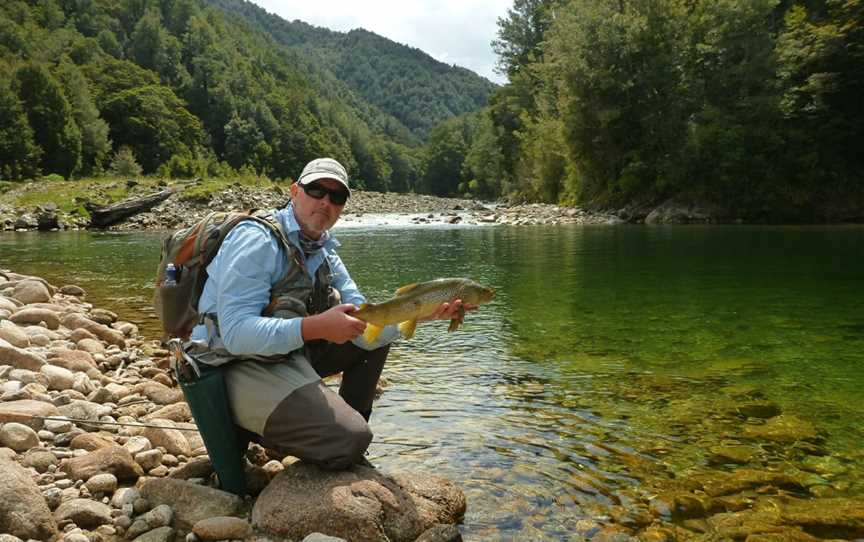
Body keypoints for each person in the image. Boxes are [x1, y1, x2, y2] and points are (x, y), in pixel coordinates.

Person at [187, 157, 468, 469]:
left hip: (282, 355)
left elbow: (367, 318)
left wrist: (422, 315)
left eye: (337, 197)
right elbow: (237, 335)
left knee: (374, 341)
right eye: (316, 190)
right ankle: (253, 430)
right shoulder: (256, 240)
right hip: (228, 364)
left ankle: (339, 430)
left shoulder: (324, 251)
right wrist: (316, 327)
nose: (325, 202)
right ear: (295, 191)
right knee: (348, 441)